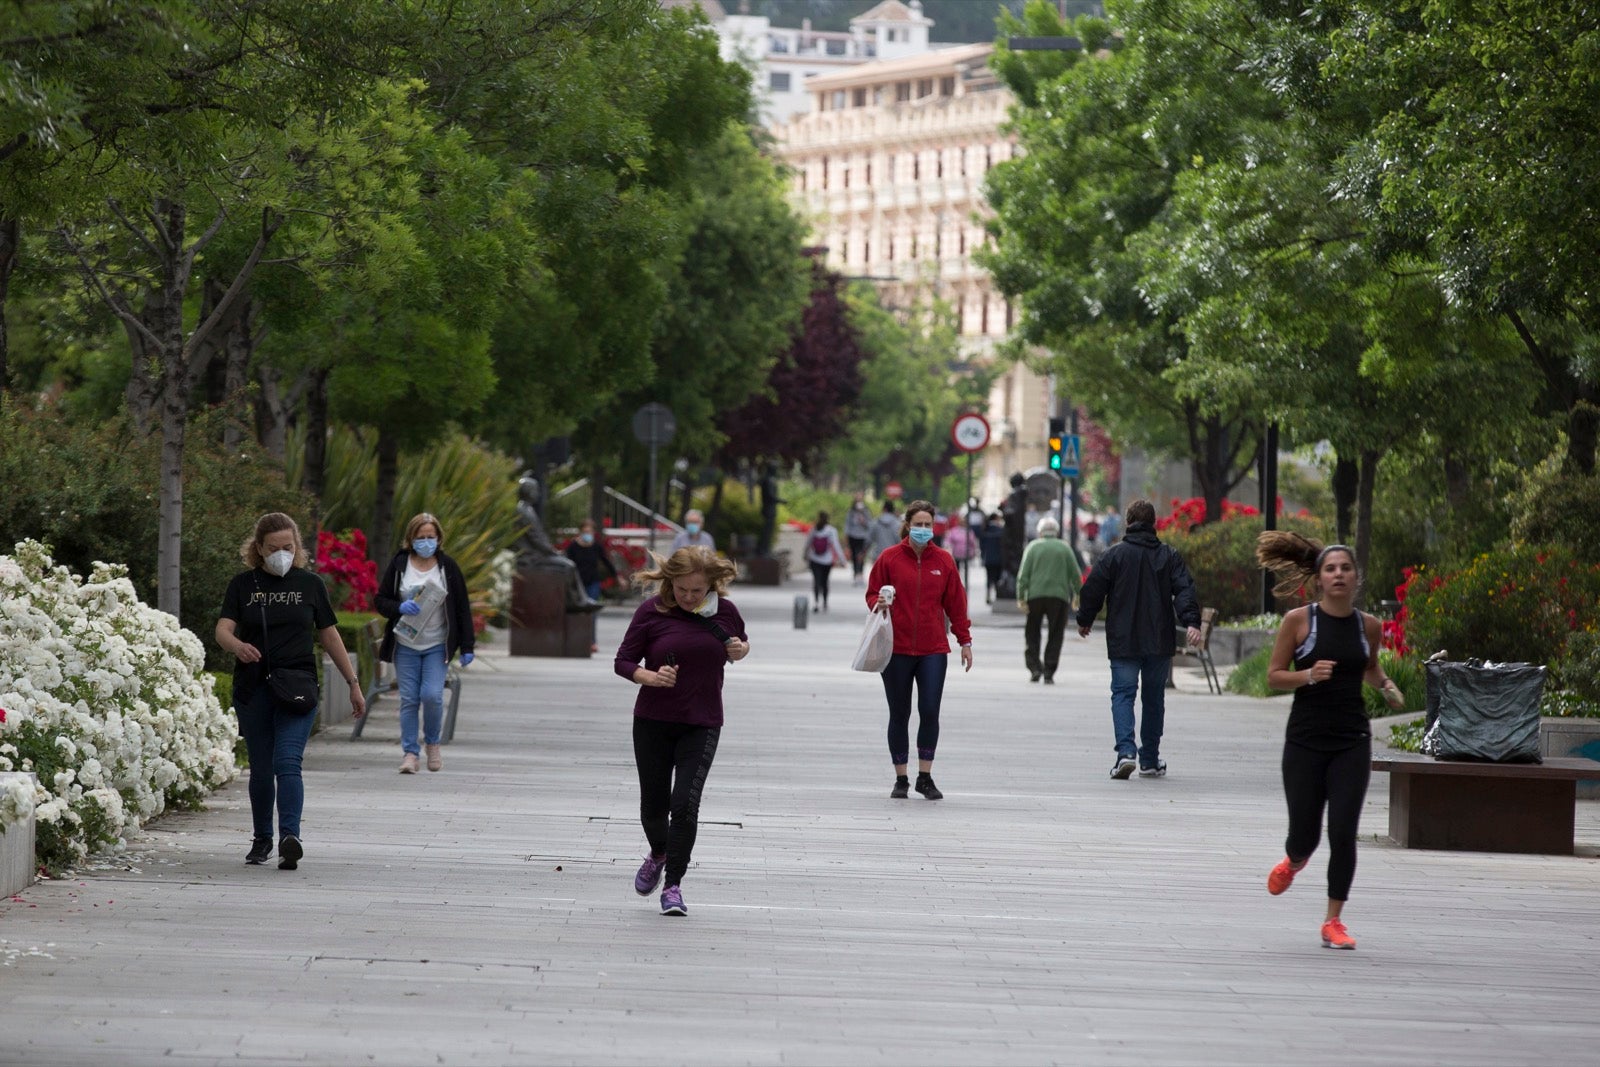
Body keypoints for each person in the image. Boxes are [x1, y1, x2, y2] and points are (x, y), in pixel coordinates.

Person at [1256, 532, 1406, 951]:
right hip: (1304, 741)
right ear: (1319, 580)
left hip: (1351, 740)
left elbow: (1370, 667)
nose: (1339, 575)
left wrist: (1387, 685)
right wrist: (1307, 675)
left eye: (1346, 568)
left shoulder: (1368, 626)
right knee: (1305, 835)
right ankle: (1295, 859)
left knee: (1343, 832)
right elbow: (1273, 676)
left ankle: (1333, 920)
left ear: (1357, 578)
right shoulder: (1299, 621)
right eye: (1330, 569)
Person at [216, 512, 366, 870]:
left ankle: (289, 837)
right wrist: (237, 646)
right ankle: (261, 839)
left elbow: (330, 635)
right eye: (273, 548)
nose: (280, 553)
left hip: (297, 687)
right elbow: (222, 629)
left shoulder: (310, 584)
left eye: (288, 547)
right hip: (254, 687)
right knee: (261, 767)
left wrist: (353, 684)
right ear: (258, 549)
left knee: (288, 761)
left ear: (297, 547)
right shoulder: (243, 585)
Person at [614, 547, 750, 916]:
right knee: (653, 807)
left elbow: (740, 644)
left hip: (702, 721)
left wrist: (740, 650)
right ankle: (658, 853)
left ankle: (673, 885)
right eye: (682, 590)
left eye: (697, 591)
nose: (689, 598)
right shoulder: (651, 613)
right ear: (669, 582)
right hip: (653, 721)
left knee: (685, 805)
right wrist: (651, 677)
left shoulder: (725, 612)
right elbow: (623, 661)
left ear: (712, 585)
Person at [1074, 499, 1202, 780]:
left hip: (1124, 639)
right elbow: (1184, 590)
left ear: (1128, 523)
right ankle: (1150, 760)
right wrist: (1192, 621)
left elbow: (1093, 588)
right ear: (1153, 523)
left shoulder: (1113, 555)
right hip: (1159, 640)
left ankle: (1125, 753)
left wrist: (1085, 619)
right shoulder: (1169, 556)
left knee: (1123, 694)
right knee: (1154, 698)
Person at [865, 499, 974, 801]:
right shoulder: (889, 558)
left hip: (933, 649)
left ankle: (925, 777)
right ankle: (901, 778)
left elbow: (956, 604)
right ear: (908, 525)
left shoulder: (944, 562)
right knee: (899, 713)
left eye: (928, 525)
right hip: (896, 648)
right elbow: (872, 591)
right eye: (918, 525)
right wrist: (879, 601)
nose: (924, 530)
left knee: (929, 710)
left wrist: (964, 642)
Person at [375, 512, 476, 774]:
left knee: (431, 695)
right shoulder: (399, 565)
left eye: (431, 537)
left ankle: (432, 743)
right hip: (405, 643)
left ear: (439, 538)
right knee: (409, 699)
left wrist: (467, 646)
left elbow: (462, 607)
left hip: (436, 644)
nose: (426, 542)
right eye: (421, 537)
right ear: (411, 538)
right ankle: (410, 753)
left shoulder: (448, 568)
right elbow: (381, 600)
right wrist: (400, 606)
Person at [1015, 516, 1082, 684]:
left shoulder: (1033, 547)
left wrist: (1021, 597)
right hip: (1058, 597)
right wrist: (1077, 595)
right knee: (1056, 633)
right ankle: (1049, 671)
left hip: (1035, 597)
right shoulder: (1064, 548)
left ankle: (1034, 668)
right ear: (1057, 532)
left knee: (1032, 632)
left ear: (1040, 532)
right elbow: (1076, 575)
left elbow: (1023, 575)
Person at [565, 518, 619, 601]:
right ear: (581, 532)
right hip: (577, 582)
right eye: (585, 532)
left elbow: (606, 561)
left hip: (593, 582)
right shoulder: (573, 547)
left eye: (589, 532)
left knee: (592, 607)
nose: (587, 534)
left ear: (593, 532)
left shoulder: (596, 546)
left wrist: (617, 577)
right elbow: (568, 564)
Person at [804, 511, 846, 612]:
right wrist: (842, 560)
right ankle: (825, 602)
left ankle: (816, 602)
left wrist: (805, 555)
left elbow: (808, 543)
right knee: (824, 581)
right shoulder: (831, 530)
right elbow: (836, 546)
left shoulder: (813, 529)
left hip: (814, 559)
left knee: (816, 581)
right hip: (827, 561)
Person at [843, 494, 872, 586]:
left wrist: (864, 521)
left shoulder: (866, 512)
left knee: (862, 556)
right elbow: (847, 525)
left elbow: (870, 525)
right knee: (854, 556)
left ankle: (861, 574)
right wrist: (846, 537)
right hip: (853, 536)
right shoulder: (851, 512)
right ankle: (855, 574)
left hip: (863, 537)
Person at [978, 512, 1004, 605]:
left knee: (989, 578)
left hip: (988, 558)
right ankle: (997, 595)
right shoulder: (1000, 530)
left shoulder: (985, 530)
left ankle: (988, 595)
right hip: (998, 559)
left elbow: (982, 546)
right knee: (997, 578)